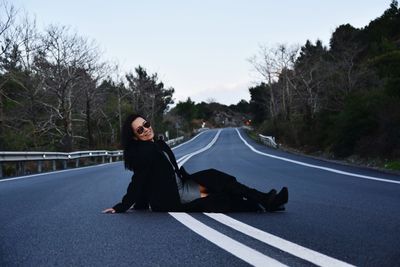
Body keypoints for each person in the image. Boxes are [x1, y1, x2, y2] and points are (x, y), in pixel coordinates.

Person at [103, 114, 288, 214]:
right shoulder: (144, 152)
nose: (146, 129)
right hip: (177, 196)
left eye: (146, 124)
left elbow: (149, 179)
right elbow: (139, 180)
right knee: (219, 192)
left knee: (217, 180)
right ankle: (265, 202)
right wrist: (123, 206)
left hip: (183, 185)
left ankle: (265, 201)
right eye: (140, 129)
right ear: (135, 136)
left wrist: (142, 204)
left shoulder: (157, 144)